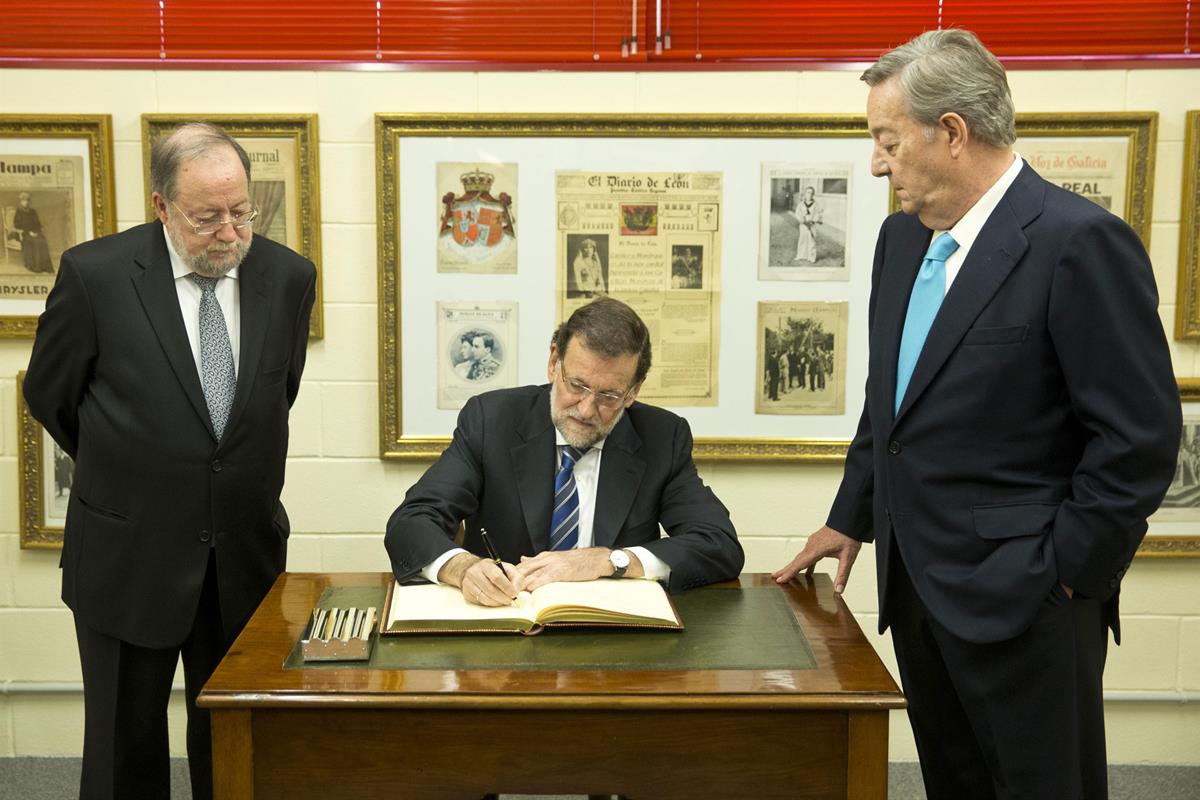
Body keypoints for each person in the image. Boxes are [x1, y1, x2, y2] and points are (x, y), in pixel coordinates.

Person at [772, 30, 1180, 800]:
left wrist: (1065, 576)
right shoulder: (901, 240)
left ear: (951, 132)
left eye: (886, 140)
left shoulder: (1077, 242)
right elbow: (891, 400)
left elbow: (1140, 440)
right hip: (918, 593)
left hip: (1029, 601)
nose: (875, 163)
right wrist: (850, 516)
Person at [23, 122, 316, 800]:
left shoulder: (288, 277)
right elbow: (52, 394)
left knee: (238, 748)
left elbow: (276, 394)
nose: (229, 231)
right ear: (161, 206)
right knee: (126, 754)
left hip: (242, 556)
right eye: (206, 216)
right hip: (128, 554)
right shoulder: (96, 276)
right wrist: (134, 464)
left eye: (241, 212)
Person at [386, 296, 743, 604]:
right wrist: (461, 568)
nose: (587, 410)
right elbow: (412, 521)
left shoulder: (662, 437)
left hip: (613, 638)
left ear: (633, 391)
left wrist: (611, 561)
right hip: (505, 626)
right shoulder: (491, 420)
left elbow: (718, 545)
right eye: (577, 385)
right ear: (554, 362)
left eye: (609, 396)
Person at [13, 191, 54, 273]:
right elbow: (17, 225)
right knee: (34, 242)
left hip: (35, 232)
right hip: (24, 233)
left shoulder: (33, 211)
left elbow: (37, 223)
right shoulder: (18, 212)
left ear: (29, 202)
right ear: (21, 202)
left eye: (27, 201)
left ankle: (45, 266)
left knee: (42, 240)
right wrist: (29, 232)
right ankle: (34, 266)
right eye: (24, 201)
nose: (26, 203)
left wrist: (36, 232)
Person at [790, 185, 822, 263]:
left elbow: (818, 214)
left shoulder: (816, 204)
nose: (809, 194)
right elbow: (797, 213)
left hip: (811, 225)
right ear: (805, 194)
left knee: (811, 240)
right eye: (808, 192)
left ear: (813, 194)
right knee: (802, 239)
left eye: (811, 193)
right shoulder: (801, 204)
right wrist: (802, 220)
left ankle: (811, 257)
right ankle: (801, 255)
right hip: (803, 225)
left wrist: (813, 220)